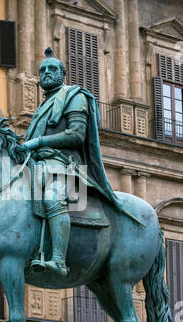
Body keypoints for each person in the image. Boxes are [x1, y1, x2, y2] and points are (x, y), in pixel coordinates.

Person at [24, 47, 140, 277]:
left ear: (63, 73)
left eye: (52, 69)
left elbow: (76, 135)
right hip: (38, 166)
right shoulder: (44, 105)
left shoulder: (75, 96)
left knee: (51, 199)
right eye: (42, 70)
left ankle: (58, 260)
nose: (46, 73)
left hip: (65, 166)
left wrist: (37, 141)